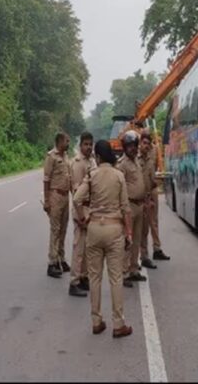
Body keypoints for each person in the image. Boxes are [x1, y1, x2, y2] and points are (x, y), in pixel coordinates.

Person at [73, 140, 133, 338]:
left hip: (94, 229)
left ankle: (96, 321)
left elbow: (76, 199)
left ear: (98, 157)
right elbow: (126, 208)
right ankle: (118, 324)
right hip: (114, 228)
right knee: (115, 278)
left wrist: (83, 218)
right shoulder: (119, 176)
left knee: (95, 277)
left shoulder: (92, 175)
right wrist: (129, 234)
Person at [116, 130, 146, 287]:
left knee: (136, 240)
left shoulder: (137, 161)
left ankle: (134, 269)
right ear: (125, 147)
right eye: (130, 146)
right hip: (128, 206)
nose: (133, 148)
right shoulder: (122, 164)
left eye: (135, 145)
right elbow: (118, 187)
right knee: (127, 241)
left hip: (140, 205)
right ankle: (124, 272)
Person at [68, 132, 96, 297]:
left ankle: (84, 277)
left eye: (90, 144)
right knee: (79, 248)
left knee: (87, 248)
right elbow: (77, 192)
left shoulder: (91, 161)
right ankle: (74, 281)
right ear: (80, 146)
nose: (88, 147)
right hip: (81, 208)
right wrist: (80, 216)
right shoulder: (78, 163)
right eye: (85, 144)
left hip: (89, 207)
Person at [139, 131, 170, 270]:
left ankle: (157, 249)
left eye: (148, 142)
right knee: (143, 226)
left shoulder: (154, 152)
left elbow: (156, 168)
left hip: (152, 190)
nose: (146, 145)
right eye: (143, 142)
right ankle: (143, 255)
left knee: (154, 221)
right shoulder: (136, 156)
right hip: (141, 194)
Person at [43, 132, 72, 278]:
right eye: (67, 141)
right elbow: (46, 179)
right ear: (60, 142)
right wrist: (47, 200)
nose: (68, 144)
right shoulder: (51, 157)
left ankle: (61, 258)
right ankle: (52, 262)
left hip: (66, 196)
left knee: (63, 229)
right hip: (55, 195)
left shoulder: (66, 157)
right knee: (55, 229)